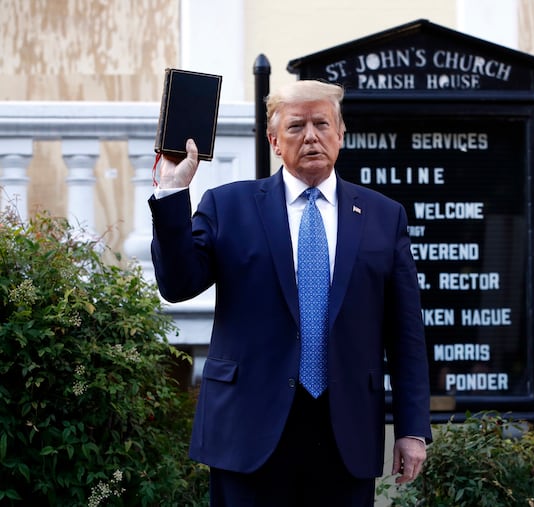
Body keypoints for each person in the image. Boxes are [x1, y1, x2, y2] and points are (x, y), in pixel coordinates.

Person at [148, 79, 432, 506]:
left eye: (322, 123)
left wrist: (412, 428)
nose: (312, 136)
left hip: (345, 431)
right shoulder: (229, 206)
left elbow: (406, 333)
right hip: (248, 430)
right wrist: (173, 193)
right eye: (297, 126)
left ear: (341, 135)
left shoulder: (383, 216)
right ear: (274, 141)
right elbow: (177, 285)